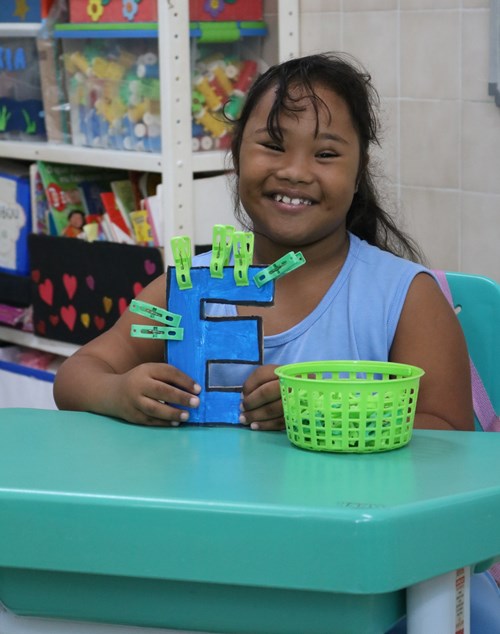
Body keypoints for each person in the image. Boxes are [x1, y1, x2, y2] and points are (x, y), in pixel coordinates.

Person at [54, 52, 499, 633]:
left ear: (359, 171)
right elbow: (78, 374)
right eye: (271, 145)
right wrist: (118, 392)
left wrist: (322, 416)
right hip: (221, 565)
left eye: (326, 154)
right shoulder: (185, 290)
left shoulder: (407, 297)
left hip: (374, 582)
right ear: (236, 156)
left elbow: (452, 445)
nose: (295, 171)